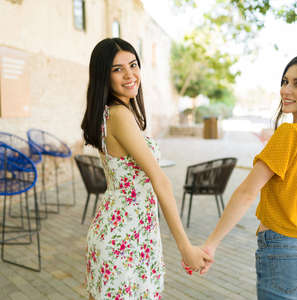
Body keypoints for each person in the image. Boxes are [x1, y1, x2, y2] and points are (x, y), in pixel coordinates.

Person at [197, 55, 297, 299]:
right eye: (285, 81)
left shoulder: (290, 134)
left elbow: (246, 192)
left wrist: (211, 244)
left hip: (287, 255)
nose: (285, 90)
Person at [81, 38, 211, 300]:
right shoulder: (118, 115)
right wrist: (185, 247)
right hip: (123, 240)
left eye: (133, 65)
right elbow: (159, 180)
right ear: (103, 76)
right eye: (118, 69)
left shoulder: (118, 113)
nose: (130, 74)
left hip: (134, 234)